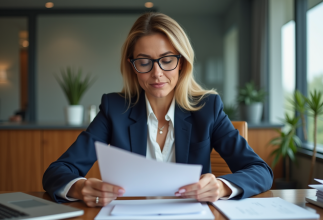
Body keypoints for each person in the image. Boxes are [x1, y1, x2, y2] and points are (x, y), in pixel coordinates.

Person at [43, 12, 273, 207]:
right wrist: (80, 187)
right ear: (132, 66)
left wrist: (222, 187)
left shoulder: (207, 108)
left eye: (167, 59)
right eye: (144, 62)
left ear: (181, 62)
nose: (157, 73)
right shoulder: (115, 109)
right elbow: (57, 171)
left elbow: (260, 170)